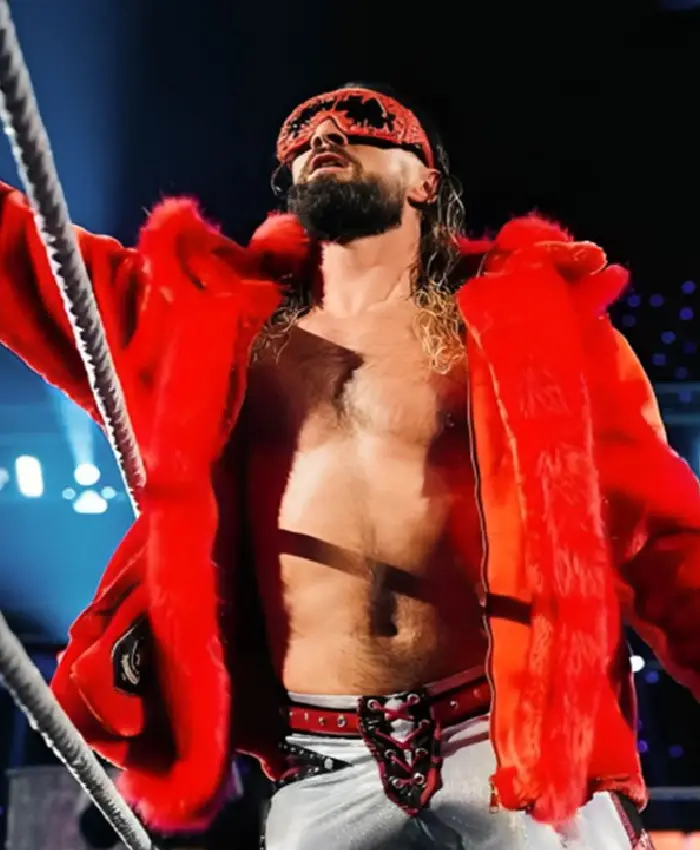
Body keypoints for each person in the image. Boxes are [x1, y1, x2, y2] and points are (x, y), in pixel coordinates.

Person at [1, 82, 699, 849]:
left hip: (506, 743)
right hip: (322, 760)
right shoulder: (210, 332)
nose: (324, 134)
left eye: (365, 124)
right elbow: (30, 264)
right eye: (300, 135)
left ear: (426, 180)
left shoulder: (534, 336)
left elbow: (666, 538)